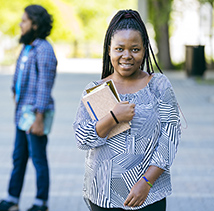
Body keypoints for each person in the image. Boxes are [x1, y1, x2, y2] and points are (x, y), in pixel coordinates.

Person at [73, 9, 181, 211]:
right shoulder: (97, 90)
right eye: (119, 49)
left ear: (144, 49)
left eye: (135, 49)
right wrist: (113, 117)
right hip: (103, 194)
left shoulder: (158, 85)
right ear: (109, 50)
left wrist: (146, 183)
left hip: (149, 195)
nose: (127, 56)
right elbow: (82, 139)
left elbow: (170, 138)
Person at [0, 4, 57, 211]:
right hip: (22, 114)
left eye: (24, 20)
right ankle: (12, 200)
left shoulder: (44, 49)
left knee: (38, 159)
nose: (20, 24)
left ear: (35, 25)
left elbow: (45, 84)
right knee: (19, 158)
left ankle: (40, 203)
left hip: (35, 114)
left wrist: (39, 117)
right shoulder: (27, 47)